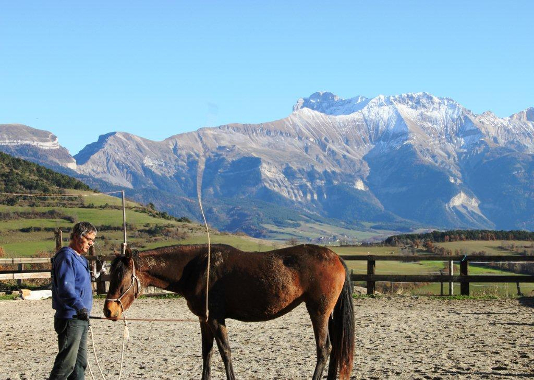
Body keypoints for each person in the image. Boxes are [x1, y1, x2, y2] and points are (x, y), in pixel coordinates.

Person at [49, 222, 97, 380]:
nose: (91, 243)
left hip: (81, 317)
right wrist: (79, 306)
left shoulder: (81, 260)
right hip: (70, 318)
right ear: (77, 237)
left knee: (79, 364)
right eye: (89, 239)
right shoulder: (65, 257)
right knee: (66, 364)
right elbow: (65, 288)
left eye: (93, 240)